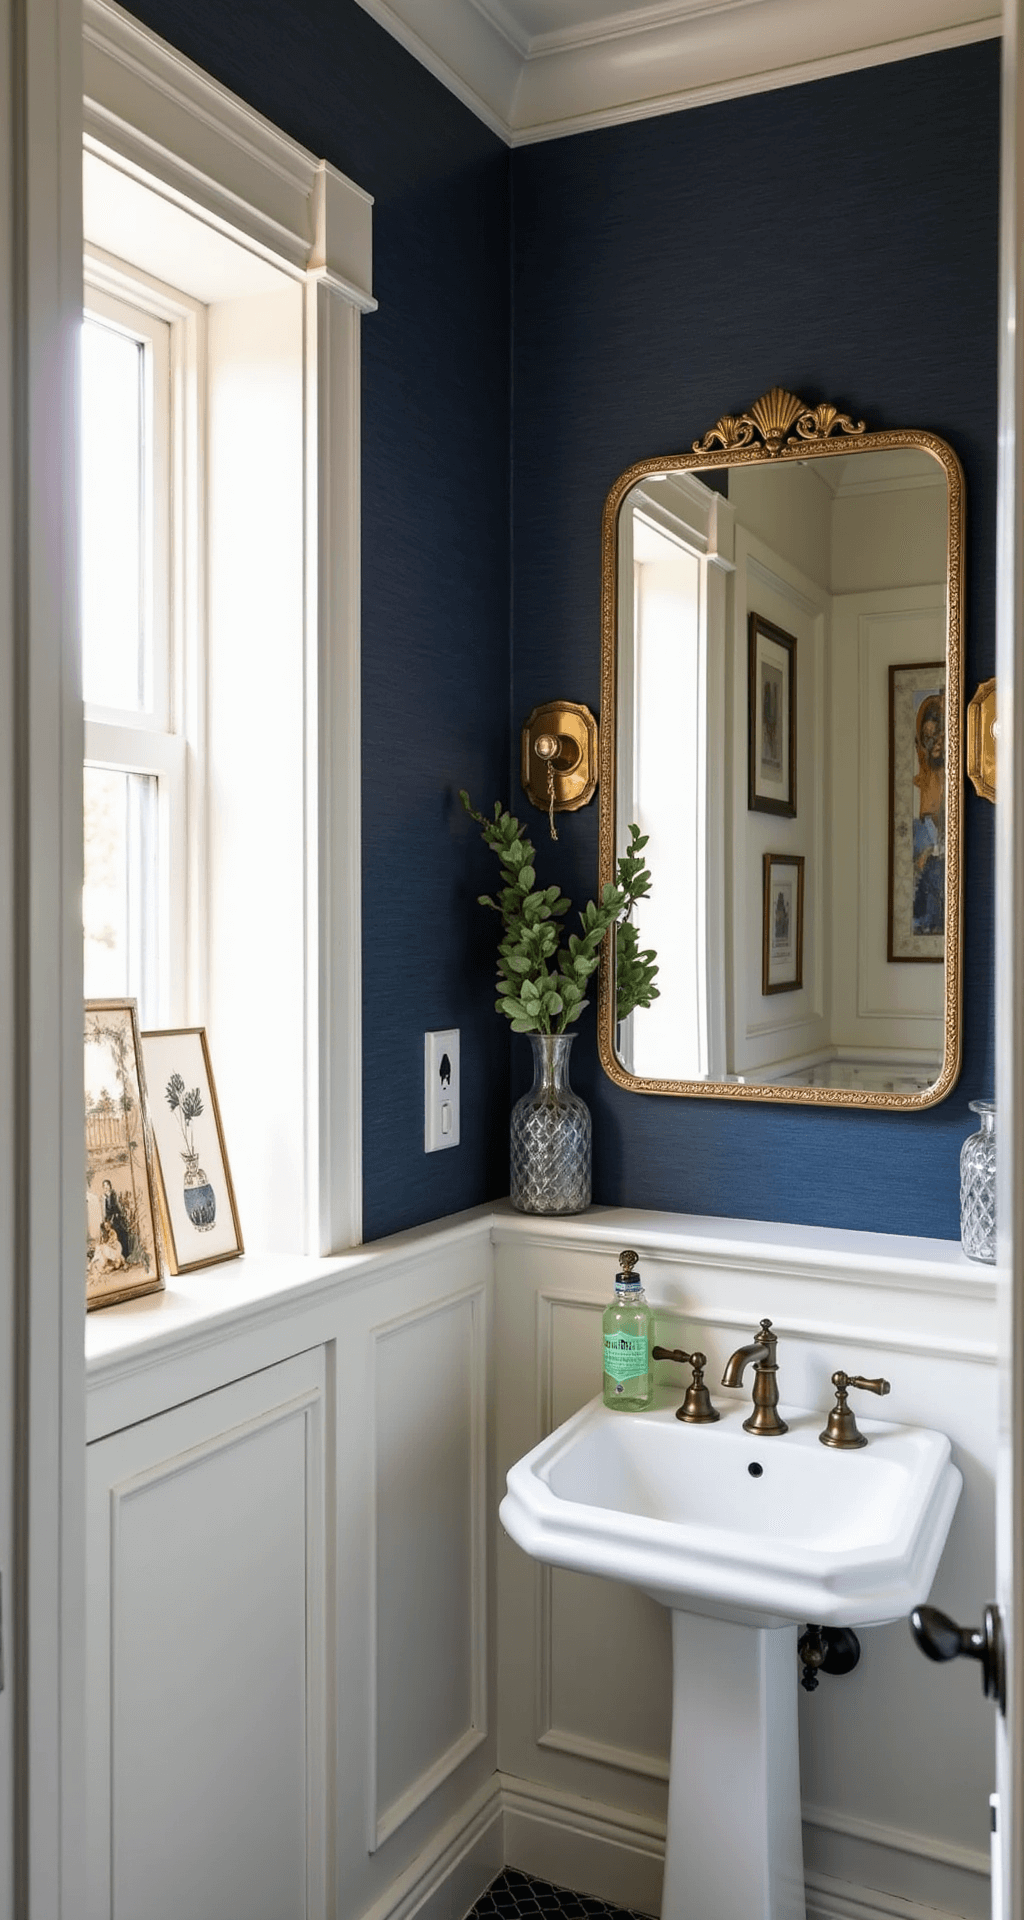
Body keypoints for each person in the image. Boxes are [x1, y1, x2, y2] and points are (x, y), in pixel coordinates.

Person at [102, 1178, 131, 1260]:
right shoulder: (106, 1197)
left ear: (110, 1186)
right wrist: (107, 1220)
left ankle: (125, 1255)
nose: (106, 1187)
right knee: (114, 1237)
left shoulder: (114, 1195)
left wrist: (115, 1216)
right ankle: (118, 1256)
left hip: (118, 1219)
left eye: (107, 1185)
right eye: (104, 1186)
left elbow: (118, 1207)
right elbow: (107, 1211)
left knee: (122, 1235)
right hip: (112, 1221)